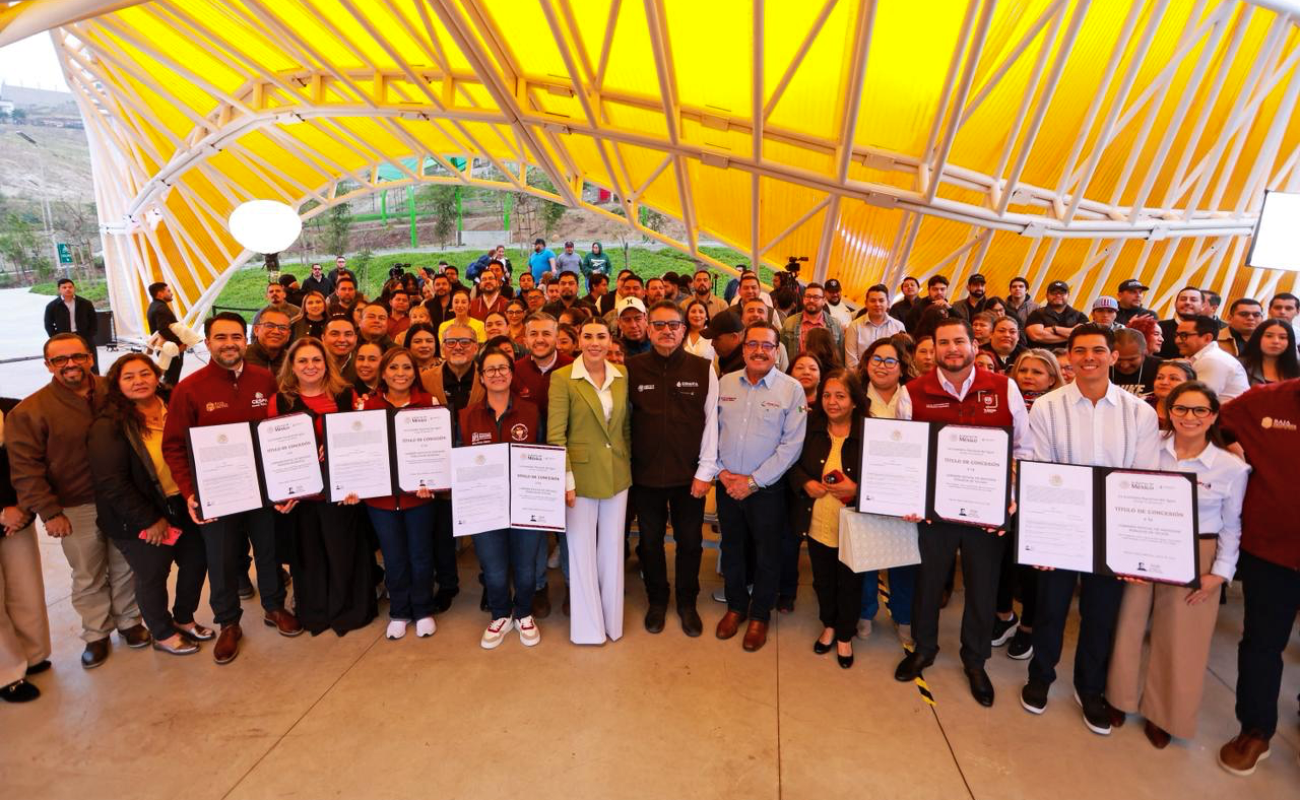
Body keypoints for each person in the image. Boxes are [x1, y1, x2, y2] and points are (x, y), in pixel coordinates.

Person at [1021, 324, 1161, 734]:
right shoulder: (1047, 407)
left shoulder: (1141, 413)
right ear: (1069, 357)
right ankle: (1040, 676)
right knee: (1051, 607)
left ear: (1113, 357)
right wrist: (1043, 539)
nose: (1089, 357)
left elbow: (1144, 477)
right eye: (1079, 350)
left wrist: (1132, 542)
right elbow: (1040, 470)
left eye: (1098, 350)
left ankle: (1089, 687)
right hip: (1062, 528)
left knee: (1100, 614)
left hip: (1112, 532)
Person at [892, 318, 1033, 707]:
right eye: (944, 343)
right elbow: (905, 451)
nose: (952, 349)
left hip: (986, 510)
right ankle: (924, 648)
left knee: (982, 587)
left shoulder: (1004, 388)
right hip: (934, 510)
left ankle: (975, 659)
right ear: (933, 349)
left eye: (959, 341)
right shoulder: (913, 392)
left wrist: (1012, 493)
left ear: (974, 344)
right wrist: (906, 497)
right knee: (928, 582)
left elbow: (1024, 447)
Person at [1106, 381, 1248, 749]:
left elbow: (1232, 526)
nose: (1189, 417)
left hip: (1197, 552)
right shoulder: (1148, 450)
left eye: (1200, 410)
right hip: (1143, 542)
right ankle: (1119, 699)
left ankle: (1164, 714)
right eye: (1181, 409)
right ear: (1168, 412)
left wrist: (1220, 573)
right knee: (1129, 622)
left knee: (1184, 637)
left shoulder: (1230, 468)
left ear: (1214, 415)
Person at [161, 312, 301, 665]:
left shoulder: (264, 379)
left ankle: (273, 607)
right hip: (218, 491)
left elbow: (278, 430)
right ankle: (228, 622)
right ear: (207, 343)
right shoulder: (189, 389)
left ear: (246, 340)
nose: (229, 344)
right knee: (220, 558)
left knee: (267, 549)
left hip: (262, 486)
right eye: (221, 337)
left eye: (236, 337)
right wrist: (190, 491)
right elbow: (174, 446)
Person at [7, 333, 144, 668]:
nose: (70, 364)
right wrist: (50, 512)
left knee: (126, 565)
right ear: (48, 365)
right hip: (74, 505)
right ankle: (96, 633)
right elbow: (25, 468)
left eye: (77, 357)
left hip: (122, 497)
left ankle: (130, 622)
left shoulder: (114, 390)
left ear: (90, 357)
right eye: (59, 360)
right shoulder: (30, 411)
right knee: (88, 573)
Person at [87, 353, 210, 656]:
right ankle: (162, 631)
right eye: (129, 377)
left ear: (157, 376)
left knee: (196, 562)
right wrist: (149, 520)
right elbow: (112, 483)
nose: (139, 381)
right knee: (153, 574)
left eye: (145, 373)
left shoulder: (174, 406)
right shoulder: (109, 425)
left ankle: (183, 617)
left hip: (182, 504)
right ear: (117, 384)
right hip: (141, 516)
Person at [1214, 375, 1300, 776]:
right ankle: (1255, 730)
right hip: (1271, 553)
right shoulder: (1265, 400)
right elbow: (1212, 420)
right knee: (1262, 644)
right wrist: (1231, 455)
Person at [268, 338, 376, 637]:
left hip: (341, 491)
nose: (310, 366)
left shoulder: (345, 396)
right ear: (292, 365)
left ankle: (349, 610)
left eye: (316, 360)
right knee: (310, 557)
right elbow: (272, 450)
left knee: (344, 553)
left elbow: (362, 438)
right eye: (302, 361)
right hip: (302, 495)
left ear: (326, 362)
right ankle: (315, 611)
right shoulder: (280, 401)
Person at [712, 322, 808, 652]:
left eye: (767, 345)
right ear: (743, 349)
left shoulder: (791, 389)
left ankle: (760, 615)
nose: (759, 351)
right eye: (753, 344)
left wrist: (753, 482)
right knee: (732, 548)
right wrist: (722, 474)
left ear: (777, 351)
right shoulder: (724, 383)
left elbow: (791, 445)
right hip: (727, 485)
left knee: (768, 553)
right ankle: (736, 607)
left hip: (765, 490)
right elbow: (711, 433)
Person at [626, 301, 718, 636]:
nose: (667, 331)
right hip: (645, 477)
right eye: (660, 325)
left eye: (674, 325)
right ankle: (657, 600)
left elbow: (712, 424)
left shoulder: (702, 368)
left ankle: (687, 602)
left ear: (684, 330)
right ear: (649, 329)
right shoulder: (632, 368)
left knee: (690, 543)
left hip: (688, 477)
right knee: (650, 543)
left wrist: (705, 472)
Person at [548, 318, 631, 644]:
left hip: (617, 474)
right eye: (588, 336)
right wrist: (566, 479)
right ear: (578, 340)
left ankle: (612, 622)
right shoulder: (563, 378)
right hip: (578, 477)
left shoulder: (621, 375)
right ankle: (588, 629)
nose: (595, 342)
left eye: (601, 336)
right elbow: (556, 435)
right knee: (580, 550)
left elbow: (624, 429)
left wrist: (627, 465)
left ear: (610, 339)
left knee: (611, 550)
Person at [459, 348, 546, 648]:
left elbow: (545, 455)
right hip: (485, 507)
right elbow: (460, 464)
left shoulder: (532, 412)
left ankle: (523, 612)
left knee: (526, 567)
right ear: (481, 377)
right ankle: (500, 614)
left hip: (525, 503)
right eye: (490, 369)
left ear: (511, 373)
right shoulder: (466, 417)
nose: (497, 374)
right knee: (493, 568)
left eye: (503, 368)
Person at [786, 369, 867, 670]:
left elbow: (887, 479)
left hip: (854, 525)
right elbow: (791, 464)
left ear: (855, 401)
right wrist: (805, 483)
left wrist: (856, 489)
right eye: (827, 395)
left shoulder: (869, 432)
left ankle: (845, 634)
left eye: (841, 396)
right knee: (823, 579)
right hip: (817, 520)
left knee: (850, 581)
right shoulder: (809, 426)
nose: (832, 402)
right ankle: (829, 624)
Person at [356, 347, 439, 641]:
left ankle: (423, 609)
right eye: (393, 368)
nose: (400, 374)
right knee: (393, 557)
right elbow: (359, 452)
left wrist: (436, 480)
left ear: (416, 372)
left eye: (407, 367)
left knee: (420, 555)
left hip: (420, 497)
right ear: (383, 373)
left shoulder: (428, 402)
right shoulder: (367, 407)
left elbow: (438, 450)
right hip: (380, 500)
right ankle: (400, 611)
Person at [990, 348, 1066, 662]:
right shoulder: (1003, 401)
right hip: (1003, 493)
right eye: (1024, 370)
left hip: (1040, 497)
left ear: (1051, 377)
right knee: (1002, 560)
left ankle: (1029, 627)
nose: (1029, 377)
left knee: (1032, 568)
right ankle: (1005, 617)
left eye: (1037, 371)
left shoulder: (1060, 408)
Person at [854, 338, 917, 642]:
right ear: (866, 363)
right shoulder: (855, 396)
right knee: (868, 555)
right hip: (867, 487)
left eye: (890, 360)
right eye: (876, 359)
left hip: (906, 487)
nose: (882, 366)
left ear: (902, 366)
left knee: (903, 556)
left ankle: (903, 615)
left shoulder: (913, 396)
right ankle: (866, 612)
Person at [0, 391, 52, 702]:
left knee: (26, 589)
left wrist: (25, 505)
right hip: (6, 513)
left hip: (20, 516)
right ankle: (7, 673)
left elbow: (36, 459)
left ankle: (33, 655)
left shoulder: (14, 408)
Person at [1174, 315, 1250, 400]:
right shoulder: (1203, 357)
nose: (1178, 340)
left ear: (1207, 338)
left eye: (1184, 335)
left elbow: (1197, 400)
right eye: (1176, 335)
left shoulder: (1212, 359)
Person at [43, 278, 99, 373]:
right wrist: (56, 337)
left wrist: (90, 334)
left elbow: (94, 320)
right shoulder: (52, 306)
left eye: (70, 287)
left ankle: (95, 381)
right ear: (59, 289)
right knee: (67, 362)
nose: (67, 289)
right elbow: (48, 324)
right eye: (64, 287)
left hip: (84, 337)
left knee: (90, 362)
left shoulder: (85, 303)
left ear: (74, 288)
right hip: (64, 338)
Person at [844, 284, 905, 371]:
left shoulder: (898, 327)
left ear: (888, 302)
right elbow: (851, 362)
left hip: (889, 377)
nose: (877, 304)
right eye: (873, 301)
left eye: (881, 300)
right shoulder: (854, 326)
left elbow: (902, 357)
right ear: (866, 303)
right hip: (860, 378)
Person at [779, 282, 844, 363]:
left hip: (824, 373)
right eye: (808, 296)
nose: (811, 300)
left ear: (824, 301)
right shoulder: (790, 322)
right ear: (803, 299)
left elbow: (840, 359)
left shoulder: (835, 325)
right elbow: (780, 354)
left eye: (816, 297)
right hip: (794, 372)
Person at [146, 282, 186, 386]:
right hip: (169, 347)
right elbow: (163, 329)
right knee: (171, 379)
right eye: (168, 291)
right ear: (160, 293)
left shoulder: (154, 306)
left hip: (164, 346)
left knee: (169, 377)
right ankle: (169, 401)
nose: (171, 293)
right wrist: (179, 343)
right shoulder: (160, 308)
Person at [1239, 318, 1300, 386]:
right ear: (1258, 338)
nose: (1276, 341)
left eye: (1282, 337)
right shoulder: (1239, 365)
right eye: (1269, 336)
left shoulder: (1297, 366)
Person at [1025, 280, 1088, 346]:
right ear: (1046, 295)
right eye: (1053, 292)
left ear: (1068, 295)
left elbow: (1085, 335)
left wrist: (1054, 329)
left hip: (1070, 355)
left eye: (1062, 293)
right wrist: (1072, 336)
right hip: (1043, 355)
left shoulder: (1080, 316)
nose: (1058, 295)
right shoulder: (1036, 314)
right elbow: (1036, 336)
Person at [1157, 286, 1208, 358]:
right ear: (1175, 304)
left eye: (1193, 300)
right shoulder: (1158, 328)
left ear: (1203, 306)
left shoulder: (1207, 332)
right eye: (1183, 299)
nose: (1187, 302)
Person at [1149, 360, 1196, 429]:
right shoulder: (1140, 406)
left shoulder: (1199, 410)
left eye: (1173, 378)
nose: (1164, 382)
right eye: (1159, 377)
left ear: (1190, 385)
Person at [244, 308, 292, 374]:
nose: (276, 331)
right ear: (256, 330)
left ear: (289, 334)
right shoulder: (240, 357)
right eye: (270, 326)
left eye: (282, 328)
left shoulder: (292, 360)